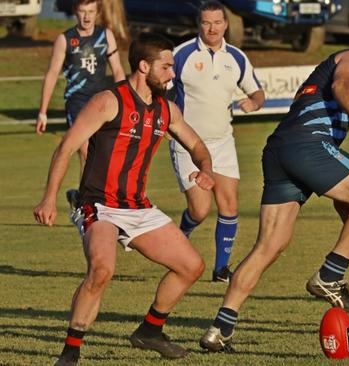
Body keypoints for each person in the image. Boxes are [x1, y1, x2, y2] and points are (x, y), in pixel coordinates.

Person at [198, 19, 349, 352]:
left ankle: (220, 328)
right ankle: (330, 276)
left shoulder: (347, 63)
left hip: (279, 150)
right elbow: (342, 85)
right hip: (307, 146)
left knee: (269, 245)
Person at [33, 33, 216, 366]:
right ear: (143, 66)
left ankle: (150, 331)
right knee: (102, 269)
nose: (172, 73)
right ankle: (70, 352)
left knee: (192, 266)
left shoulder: (167, 110)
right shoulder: (109, 101)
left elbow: (199, 147)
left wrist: (205, 169)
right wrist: (48, 199)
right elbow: (66, 148)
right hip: (98, 205)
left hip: (138, 206)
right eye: (167, 66)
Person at [169, 0, 265, 284]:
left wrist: (253, 102)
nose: (212, 28)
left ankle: (221, 269)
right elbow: (156, 86)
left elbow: (258, 92)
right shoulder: (181, 54)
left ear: (226, 24)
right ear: (199, 25)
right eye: (206, 22)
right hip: (187, 145)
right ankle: (182, 235)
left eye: (217, 22)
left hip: (222, 142)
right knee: (199, 210)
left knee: (229, 206)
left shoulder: (236, 57)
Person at [35, 0, 126, 217]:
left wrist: (125, 101)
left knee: (100, 152)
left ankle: (81, 196)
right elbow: (51, 74)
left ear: (98, 12)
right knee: (84, 147)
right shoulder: (65, 39)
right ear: (75, 11)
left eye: (91, 12)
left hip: (101, 101)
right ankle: (89, 204)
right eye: (83, 12)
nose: (86, 17)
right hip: (76, 101)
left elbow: (118, 71)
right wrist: (42, 111)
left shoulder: (106, 36)